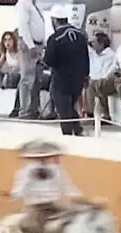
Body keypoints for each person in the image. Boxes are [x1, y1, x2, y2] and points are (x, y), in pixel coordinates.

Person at [8, 139, 82, 233]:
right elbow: (69, 189)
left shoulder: (56, 170)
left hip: (53, 207)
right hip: (38, 209)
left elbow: (69, 188)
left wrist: (13, 195)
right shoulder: (27, 171)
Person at [43, 3, 89, 135]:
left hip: (62, 79)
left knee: (63, 110)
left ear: (55, 20)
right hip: (78, 79)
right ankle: (78, 130)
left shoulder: (55, 38)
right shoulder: (81, 35)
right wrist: (86, 76)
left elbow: (48, 60)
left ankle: (68, 136)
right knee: (71, 106)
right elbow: (86, 57)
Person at [15, 0, 47, 120]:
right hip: (29, 44)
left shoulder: (37, 4)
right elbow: (23, 26)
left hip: (38, 44)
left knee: (37, 79)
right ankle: (24, 110)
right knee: (27, 78)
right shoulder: (23, 4)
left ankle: (34, 109)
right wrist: (31, 45)